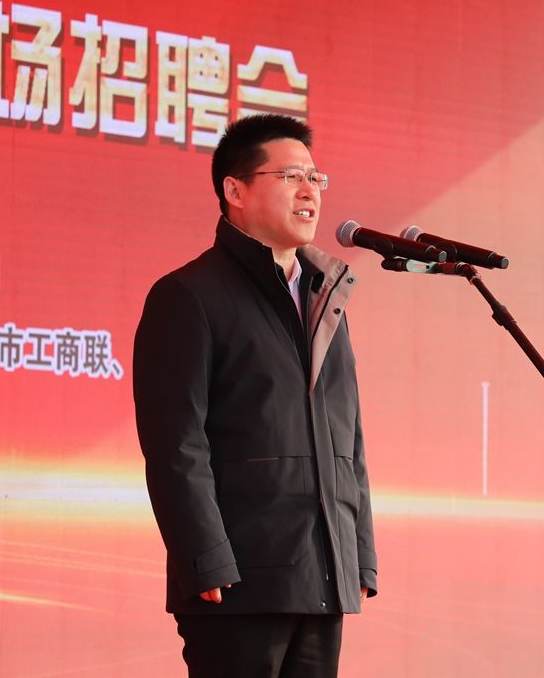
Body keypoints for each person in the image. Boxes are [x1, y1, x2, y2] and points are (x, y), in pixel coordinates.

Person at [132, 113, 377, 678]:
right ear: (235, 191)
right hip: (237, 580)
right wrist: (205, 557)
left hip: (322, 577)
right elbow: (175, 446)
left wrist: (358, 551)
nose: (310, 191)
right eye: (291, 176)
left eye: (315, 177)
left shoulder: (325, 300)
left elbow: (349, 440)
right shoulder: (188, 296)